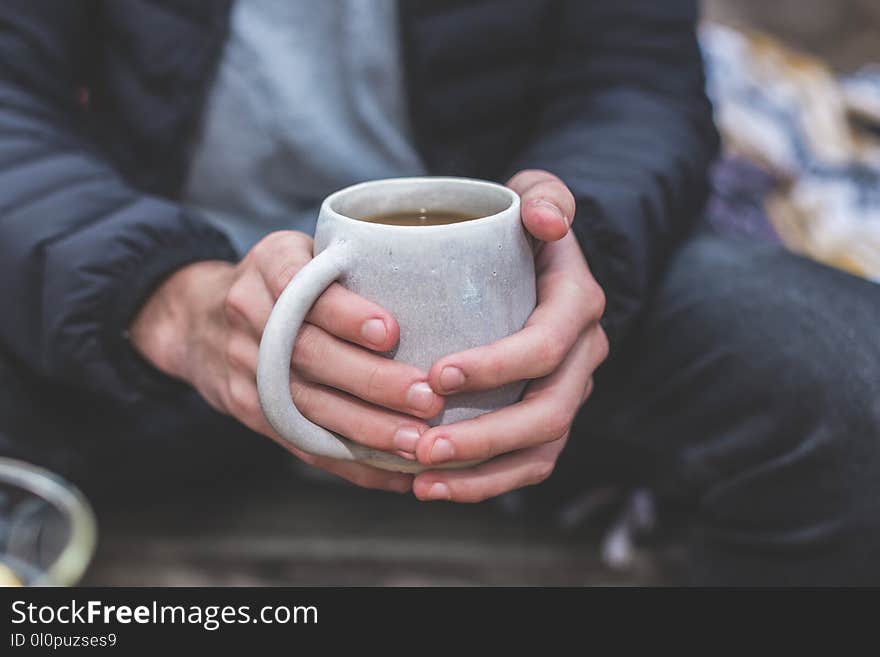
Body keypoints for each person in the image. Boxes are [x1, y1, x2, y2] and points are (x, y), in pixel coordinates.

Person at [0, 0, 876, 586]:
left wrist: (582, 241)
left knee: (843, 383)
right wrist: (164, 299)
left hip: (513, 314)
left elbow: (633, 80)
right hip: (122, 317)